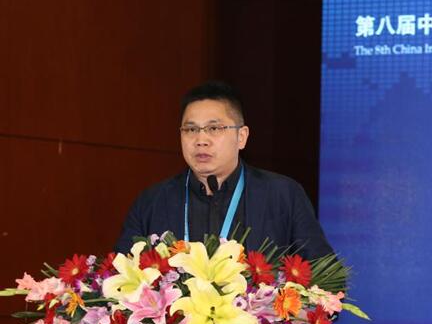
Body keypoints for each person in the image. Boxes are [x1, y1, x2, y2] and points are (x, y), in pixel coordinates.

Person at [115, 81, 333, 259]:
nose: (201, 140)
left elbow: (326, 280)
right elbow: (118, 278)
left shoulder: (283, 195)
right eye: (190, 129)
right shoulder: (152, 202)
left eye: (214, 128)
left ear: (241, 137)